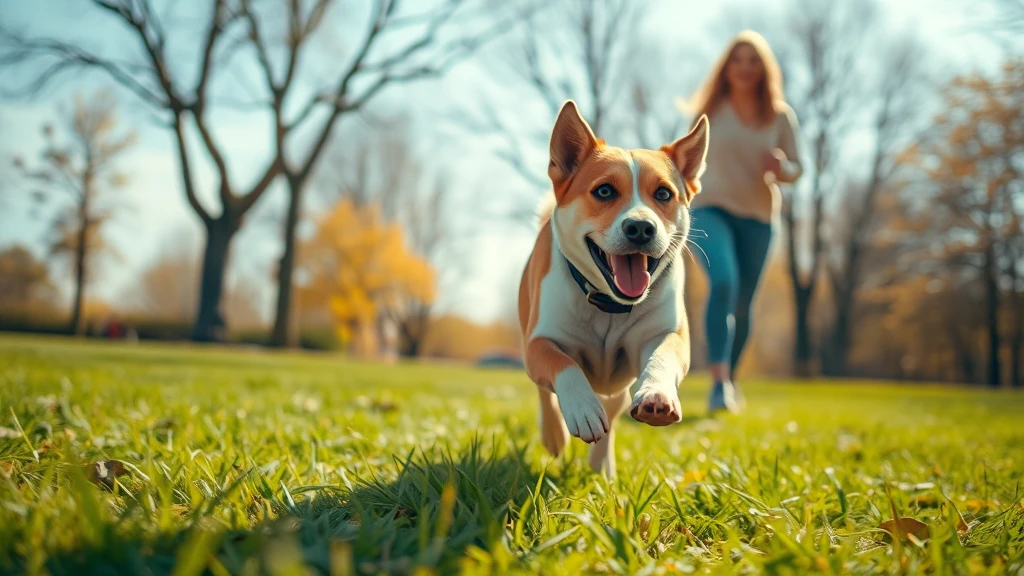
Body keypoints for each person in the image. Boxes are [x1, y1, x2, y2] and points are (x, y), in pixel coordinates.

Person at [683, 30, 803, 414]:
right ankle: (718, 383)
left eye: (754, 61)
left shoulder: (780, 115)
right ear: (727, 67)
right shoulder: (709, 109)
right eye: (739, 60)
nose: (746, 68)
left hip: (758, 217)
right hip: (710, 208)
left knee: (744, 304)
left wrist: (782, 168)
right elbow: (683, 156)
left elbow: (798, 168)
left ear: (764, 69)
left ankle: (729, 379)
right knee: (723, 282)